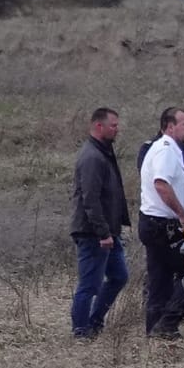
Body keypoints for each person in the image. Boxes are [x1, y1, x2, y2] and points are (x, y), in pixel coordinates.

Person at [69, 107, 130, 339]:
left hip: (108, 231)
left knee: (119, 276)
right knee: (89, 285)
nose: (117, 129)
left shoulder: (104, 152)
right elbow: (90, 198)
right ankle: (81, 331)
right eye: (113, 125)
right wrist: (103, 232)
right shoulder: (92, 157)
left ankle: (95, 321)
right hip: (93, 232)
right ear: (99, 126)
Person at [137, 106, 184, 340]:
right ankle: (168, 324)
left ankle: (155, 333)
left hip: (153, 224)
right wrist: (182, 215)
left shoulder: (162, 148)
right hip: (164, 226)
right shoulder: (166, 150)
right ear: (170, 127)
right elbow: (161, 184)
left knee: (159, 282)